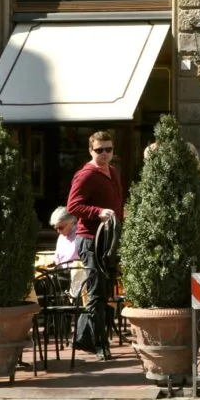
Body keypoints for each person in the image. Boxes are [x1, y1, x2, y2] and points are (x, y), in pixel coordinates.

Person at [67, 130, 124, 360]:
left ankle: (86, 338)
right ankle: (99, 344)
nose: (104, 154)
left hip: (109, 240)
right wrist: (98, 212)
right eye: (99, 150)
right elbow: (73, 206)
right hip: (91, 240)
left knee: (105, 292)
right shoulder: (86, 175)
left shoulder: (113, 172)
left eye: (108, 149)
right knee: (96, 292)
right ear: (91, 150)